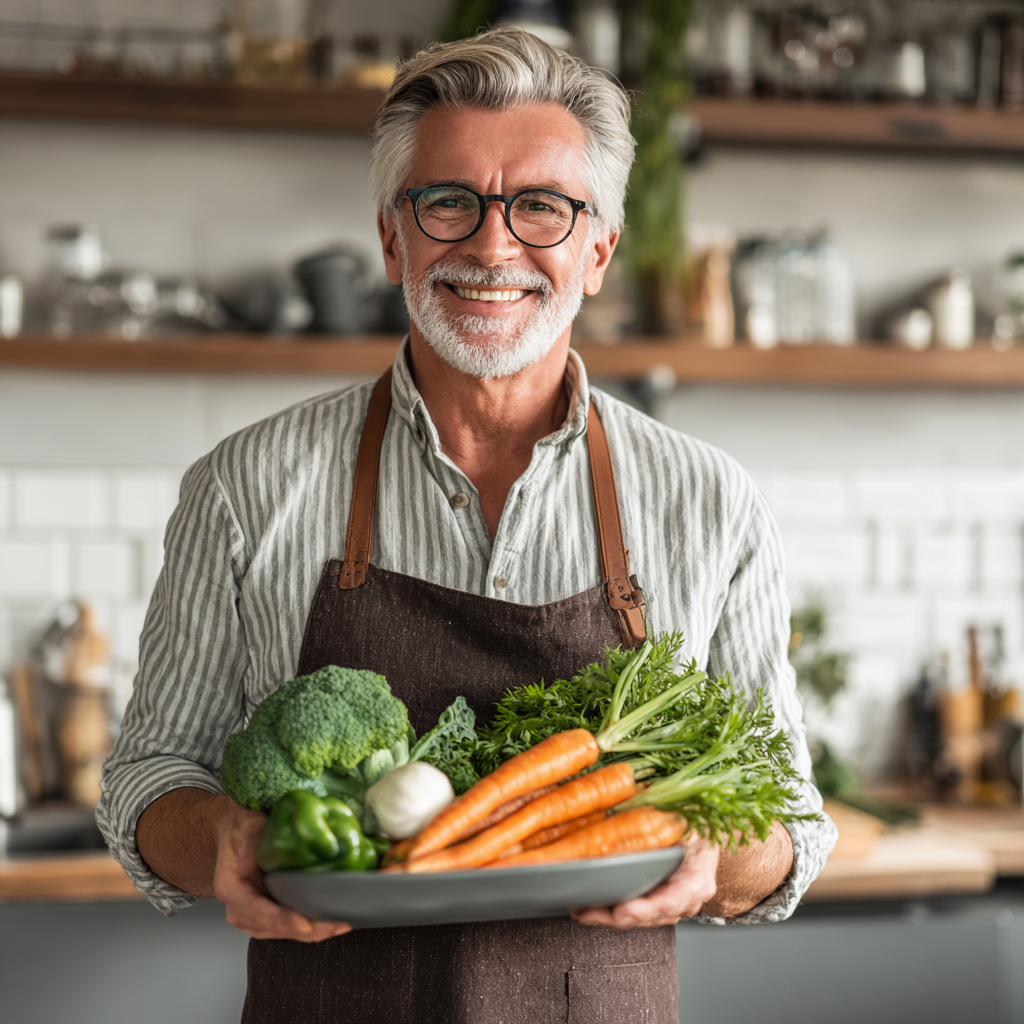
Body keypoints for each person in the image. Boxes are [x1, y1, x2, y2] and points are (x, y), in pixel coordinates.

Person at [98, 26, 836, 1024]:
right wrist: (224, 837)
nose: (492, 246)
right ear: (392, 236)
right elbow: (145, 778)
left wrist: (708, 855)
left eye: (541, 207)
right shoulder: (245, 486)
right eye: (449, 202)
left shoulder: (707, 500)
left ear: (597, 250)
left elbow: (791, 820)